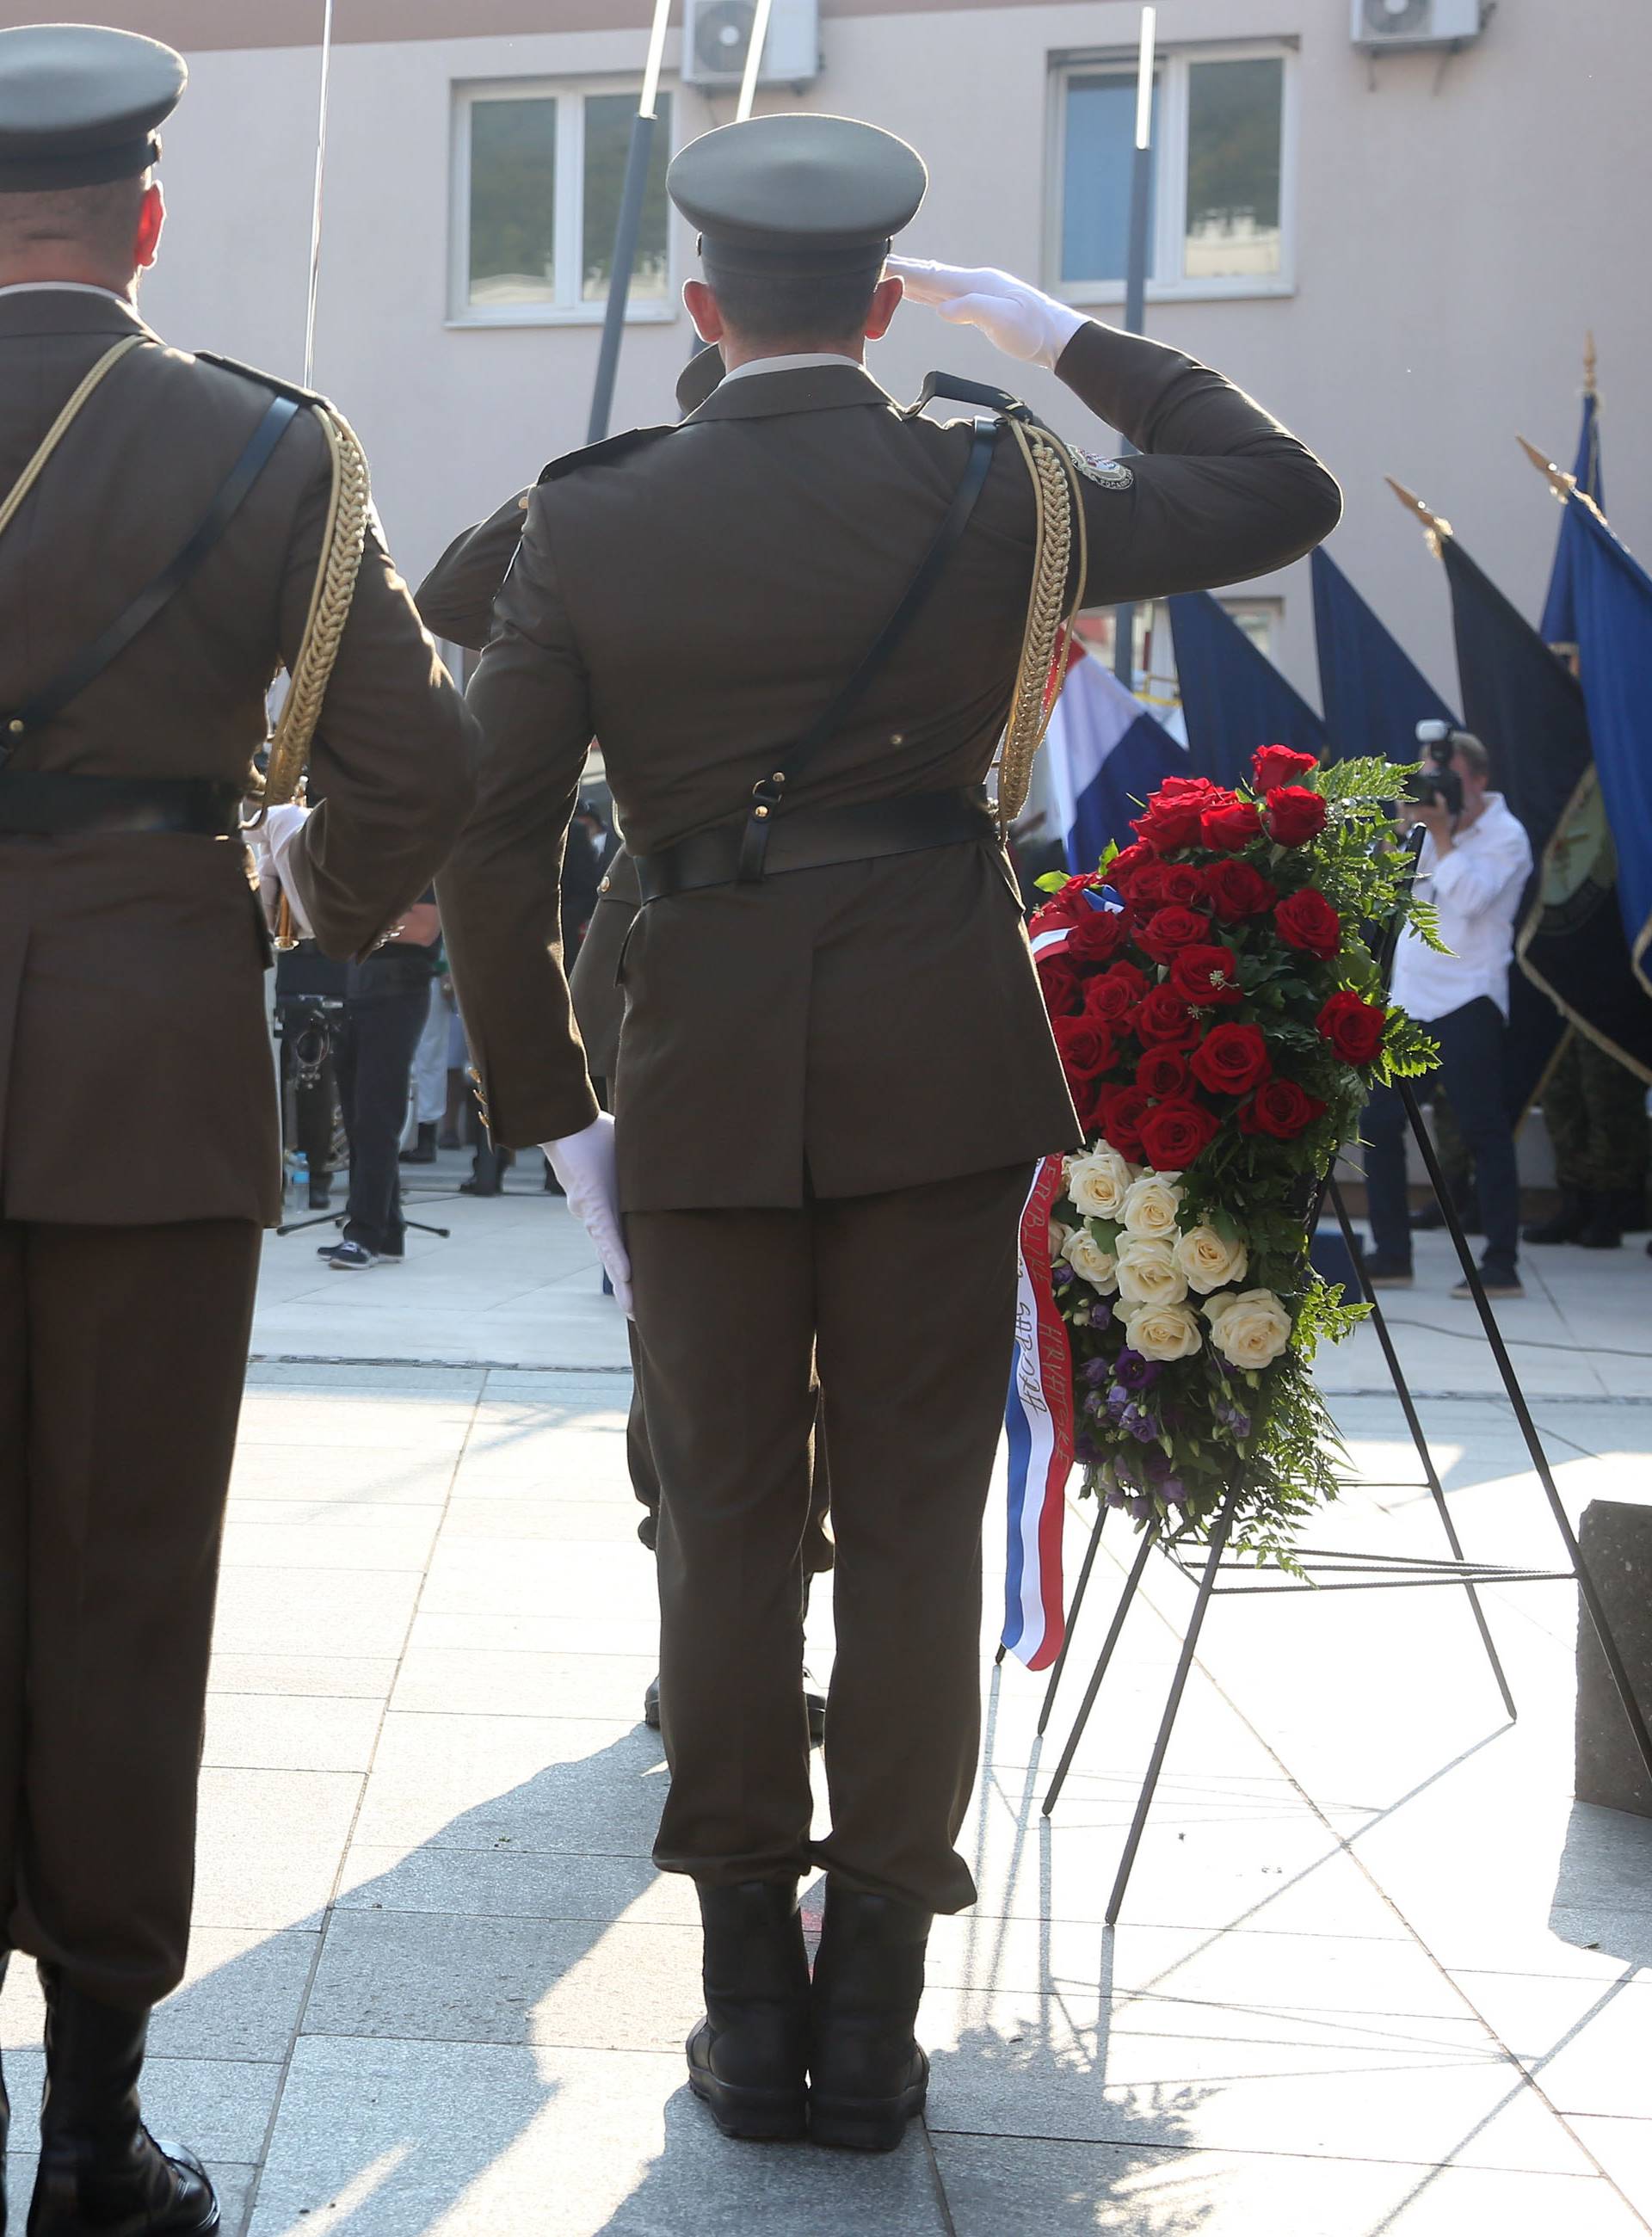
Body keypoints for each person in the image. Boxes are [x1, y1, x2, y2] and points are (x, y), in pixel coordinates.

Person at [435, 111, 1340, 2154]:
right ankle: (875, 2020)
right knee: (918, 1529)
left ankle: (746, 2004)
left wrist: (549, 1109)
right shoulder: (996, 483)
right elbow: (1275, 490)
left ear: (694, 306)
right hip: (941, 1055)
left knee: (731, 1530)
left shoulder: (592, 513)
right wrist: (1059, 334)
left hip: (701, 1068)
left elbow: (486, 832)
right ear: (880, 300)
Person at [0, 25, 474, 2234]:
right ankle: (89, 2130)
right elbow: (414, 768)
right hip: (145, 1069)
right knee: (118, 1590)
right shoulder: (265, 449)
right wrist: (266, 900)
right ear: (148, 223)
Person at [1361, 730, 1533, 1297]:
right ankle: (1391, 1255)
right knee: (1379, 1122)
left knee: (1483, 1129)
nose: (1440, 789)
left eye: (1450, 778)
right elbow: (1393, 896)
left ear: (1480, 779)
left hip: (1469, 1000)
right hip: (1412, 999)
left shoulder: (1506, 836)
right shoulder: (1426, 831)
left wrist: (1440, 832)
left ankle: (1501, 1263)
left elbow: (1471, 900)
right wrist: (1400, 836)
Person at [325, 891, 443, 1268]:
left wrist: (353, 922)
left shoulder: (422, 856)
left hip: (398, 992)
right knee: (358, 1116)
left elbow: (423, 928)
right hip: (354, 989)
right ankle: (388, 1230)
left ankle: (364, 1233)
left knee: (378, 1114)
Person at [1524, 1028, 1649, 1250]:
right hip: (1562, 1008)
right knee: (1561, 1099)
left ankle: (1609, 1206)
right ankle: (1576, 1203)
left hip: (1606, 1009)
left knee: (1607, 1100)